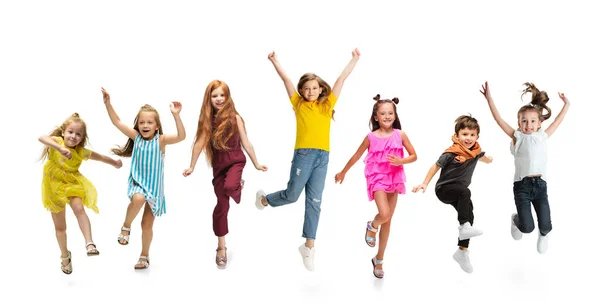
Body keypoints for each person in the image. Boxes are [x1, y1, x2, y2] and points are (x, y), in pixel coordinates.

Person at [255, 48, 360, 271]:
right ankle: (265, 200)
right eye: (306, 88)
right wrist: (275, 60)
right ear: (301, 91)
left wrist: (354, 59)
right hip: (303, 155)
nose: (311, 91)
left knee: (315, 201)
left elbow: (341, 78)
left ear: (321, 89)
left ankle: (309, 246)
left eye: (314, 88)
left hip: (323, 156)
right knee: (292, 195)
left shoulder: (327, 104)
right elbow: (286, 79)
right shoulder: (299, 104)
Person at [183, 80, 267, 269]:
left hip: (236, 161)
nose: (219, 99)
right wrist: (192, 166)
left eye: (222, 95)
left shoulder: (235, 118)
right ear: (209, 99)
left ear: (228, 97)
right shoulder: (208, 121)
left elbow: (246, 143)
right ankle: (221, 246)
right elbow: (199, 144)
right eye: (215, 96)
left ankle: (236, 184)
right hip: (219, 168)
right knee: (222, 205)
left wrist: (256, 163)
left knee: (230, 187)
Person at [480, 81, 570, 254]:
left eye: (532, 121)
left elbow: (557, 122)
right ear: (519, 123)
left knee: (546, 226)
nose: (528, 125)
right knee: (527, 228)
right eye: (524, 121)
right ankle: (516, 221)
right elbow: (499, 120)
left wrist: (566, 105)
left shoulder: (543, 136)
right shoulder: (517, 137)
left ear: (539, 123)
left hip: (540, 186)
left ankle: (543, 235)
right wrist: (489, 99)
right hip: (522, 186)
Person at [102, 87, 186, 269]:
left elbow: (181, 136)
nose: (145, 126)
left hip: (155, 190)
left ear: (156, 126)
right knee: (138, 198)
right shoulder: (136, 138)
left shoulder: (161, 140)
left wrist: (176, 115)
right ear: (137, 125)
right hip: (138, 184)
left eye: (149, 122)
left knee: (146, 225)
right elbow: (117, 122)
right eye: (142, 122)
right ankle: (125, 226)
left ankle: (144, 255)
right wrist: (108, 103)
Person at [334, 94, 417, 278]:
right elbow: (356, 156)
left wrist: (400, 160)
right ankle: (372, 225)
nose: (387, 116)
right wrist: (343, 172)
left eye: (390, 113)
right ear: (376, 117)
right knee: (384, 214)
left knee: (388, 221)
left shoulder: (400, 134)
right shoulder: (371, 137)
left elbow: (414, 155)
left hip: (394, 177)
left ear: (395, 116)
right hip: (377, 177)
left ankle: (378, 260)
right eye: (383, 113)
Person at [39, 113, 122, 274]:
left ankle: (89, 242)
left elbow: (100, 157)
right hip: (53, 185)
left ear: (82, 137)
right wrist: (59, 148)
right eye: (70, 132)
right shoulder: (58, 142)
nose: (74, 136)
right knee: (60, 228)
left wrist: (115, 163)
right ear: (63, 132)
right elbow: (42, 138)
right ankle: (65, 256)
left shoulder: (81, 151)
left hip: (72, 183)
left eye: (78, 134)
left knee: (79, 208)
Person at [412, 115, 493, 273]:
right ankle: (464, 227)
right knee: (465, 193)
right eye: (464, 134)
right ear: (457, 136)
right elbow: (435, 167)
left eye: (471, 135)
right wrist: (425, 183)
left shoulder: (476, 152)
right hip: (444, 189)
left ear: (477, 137)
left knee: (469, 213)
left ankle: (462, 251)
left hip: (459, 192)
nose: (468, 138)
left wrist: (488, 160)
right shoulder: (451, 152)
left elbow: (480, 157)